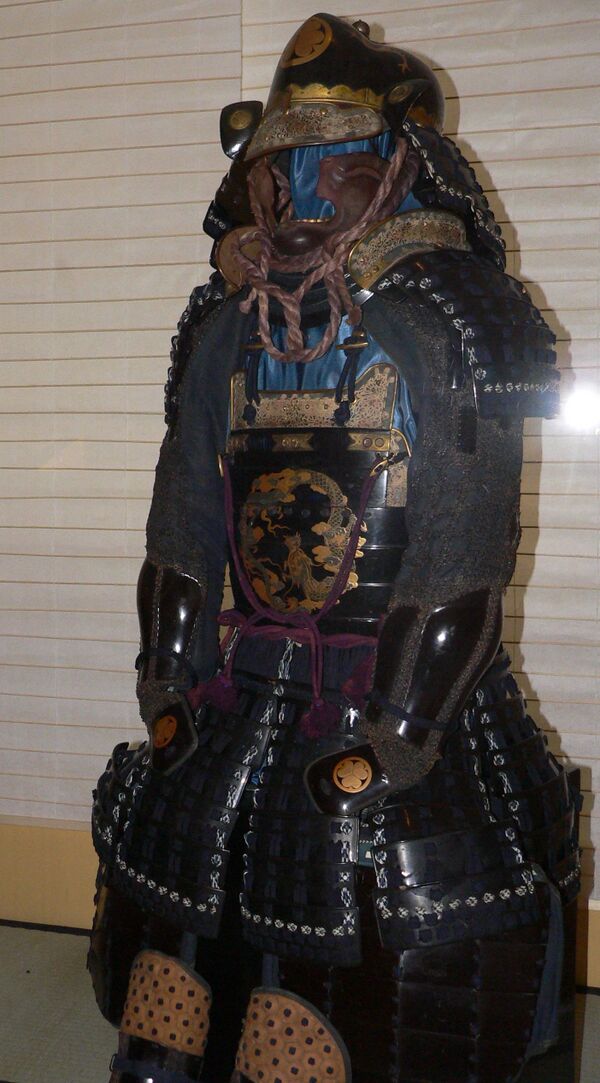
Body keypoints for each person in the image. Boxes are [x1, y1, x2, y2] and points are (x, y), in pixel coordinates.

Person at [89, 14, 580, 1083]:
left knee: (386, 896)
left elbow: (461, 556)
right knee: (170, 886)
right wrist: (169, 678)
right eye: (278, 163)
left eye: (334, 159)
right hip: (238, 682)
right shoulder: (222, 330)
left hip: (401, 687)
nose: (297, 190)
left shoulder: (450, 316)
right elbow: (182, 524)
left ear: (402, 161)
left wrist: (400, 732)